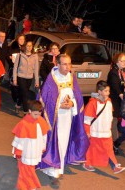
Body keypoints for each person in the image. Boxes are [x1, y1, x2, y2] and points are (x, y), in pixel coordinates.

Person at [37, 54, 89, 183]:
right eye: (65, 64)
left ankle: (59, 167)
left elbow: (78, 96)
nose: (68, 67)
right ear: (58, 64)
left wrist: (72, 103)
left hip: (68, 117)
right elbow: (44, 99)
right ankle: (53, 170)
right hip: (55, 118)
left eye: (69, 64)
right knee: (54, 141)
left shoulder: (72, 77)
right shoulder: (51, 80)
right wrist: (59, 104)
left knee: (64, 141)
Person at [83, 80, 125, 174]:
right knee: (93, 149)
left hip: (106, 132)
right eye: (106, 91)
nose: (108, 93)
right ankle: (87, 163)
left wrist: (109, 128)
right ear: (99, 91)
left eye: (109, 91)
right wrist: (87, 132)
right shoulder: (93, 103)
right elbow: (87, 119)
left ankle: (115, 166)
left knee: (108, 150)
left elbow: (109, 116)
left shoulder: (109, 101)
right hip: (95, 132)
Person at [11, 100, 49, 190]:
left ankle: (28, 186)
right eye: (35, 114)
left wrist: (43, 147)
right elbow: (19, 139)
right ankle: (28, 186)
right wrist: (18, 152)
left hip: (35, 151)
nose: (37, 117)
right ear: (30, 111)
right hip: (26, 152)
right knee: (24, 169)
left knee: (28, 170)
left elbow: (44, 136)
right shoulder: (24, 123)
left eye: (39, 114)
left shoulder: (41, 121)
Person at [12, 41, 39, 115]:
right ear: (25, 46)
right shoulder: (20, 55)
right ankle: (26, 111)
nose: (29, 47)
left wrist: (37, 81)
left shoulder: (35, 56)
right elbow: (15, 68)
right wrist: (15, 79)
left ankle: (17, 105)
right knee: (25, 94)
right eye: (27, 46)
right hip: (21, 77)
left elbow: (36, 69)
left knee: (23, 93)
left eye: (31, 46)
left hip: (29, 78)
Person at [107, 53, 125, 130]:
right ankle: (113, 137)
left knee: (123, 114)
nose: (124, 63)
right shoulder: (113, 72)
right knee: (114, 117)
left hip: (120, 98)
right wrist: (120, 94)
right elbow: (114, 85)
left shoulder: (122, 71)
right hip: (114, 98)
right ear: (117, 62)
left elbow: (122, 82)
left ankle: (124, 132)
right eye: (122, 61)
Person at [8, 34, 26, 110]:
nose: (21, 41)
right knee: (14, 85)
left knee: (21, 86)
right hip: (13, 69)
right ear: (17, 40)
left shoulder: (25, 48)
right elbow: (8, 56)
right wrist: (10, 58)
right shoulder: (13, 47)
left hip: (22, 70)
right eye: (20, 39)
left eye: (23, 39)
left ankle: (19, 100)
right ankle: (15, 98)